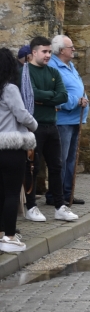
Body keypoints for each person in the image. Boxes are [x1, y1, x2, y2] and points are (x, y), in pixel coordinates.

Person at [23, 36, 78, 222]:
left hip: (52, 124)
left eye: (49, 52)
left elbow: (63, 95)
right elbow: (32, 93)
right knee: (33, 167)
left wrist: (44, 98)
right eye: (44, 52)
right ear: (34, 52)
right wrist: (49, 97)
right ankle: (31, 206)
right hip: (34, 126)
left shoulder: (53, 72)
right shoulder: (26, 71)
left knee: (56, 166)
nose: (48, 55)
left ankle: (60, 205)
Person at [0, 48, 37, 252]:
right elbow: (22, 115)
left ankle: (1, 231)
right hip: (11, 146)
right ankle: (9, 236)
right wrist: (34, 126)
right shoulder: (9, 89)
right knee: (12, 193)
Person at [47, 35, 88, 206]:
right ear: (61, 50)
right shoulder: (52, 67)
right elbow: (56, 95)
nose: (74, 50)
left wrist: (83, 99)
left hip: (75, 119)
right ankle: (55, 195)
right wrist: (75, 102)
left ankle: (68, 193)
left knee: (71, 159)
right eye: (71, 47)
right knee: (61, 159)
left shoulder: (70, 66)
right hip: (63, 120)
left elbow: (77, 88)